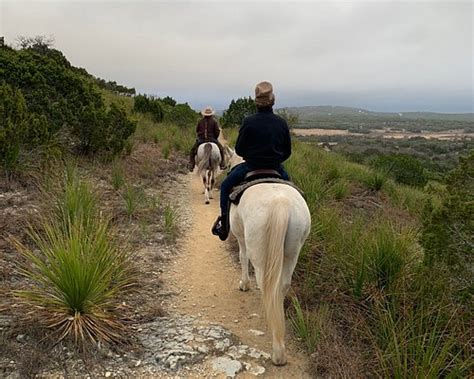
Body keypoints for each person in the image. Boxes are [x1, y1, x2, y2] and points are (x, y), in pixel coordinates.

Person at [212, 81, 291, 241]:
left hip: (251, 167)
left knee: (226, 186)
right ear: (272, 101)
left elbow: (240, 150)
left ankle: (225, 226)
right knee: (294, 190)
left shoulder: (248, 122)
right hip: (276, 168)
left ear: (256, 103)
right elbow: (287, 152)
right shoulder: (281, 123)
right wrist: (275, 161)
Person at [188, 106, 226, 171]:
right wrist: (215, 138)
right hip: (212, 139)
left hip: (201, 140)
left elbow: (197, 130)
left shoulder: (200, 121)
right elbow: (217, 132)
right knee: (221, 149)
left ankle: (192, 164)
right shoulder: (214, 122)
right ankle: (222, 164)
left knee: (192, 151)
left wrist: (200, 135)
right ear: (211, 114)